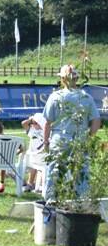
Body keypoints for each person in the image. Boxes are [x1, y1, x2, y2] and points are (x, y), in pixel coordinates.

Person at [42, 64, 101, 201]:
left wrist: (45, 142)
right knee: (82, 172)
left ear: (63, 79)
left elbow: (47, 122)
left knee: (55, 172)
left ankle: (50, 202)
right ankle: (83, 201)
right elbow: (96, 121)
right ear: (77, 78)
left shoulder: (55, 97)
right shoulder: (86, 97)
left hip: (59, 140)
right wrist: (88, 137)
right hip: (80, 139)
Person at [21, 112, 46, 192]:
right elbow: (23, 123)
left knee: (43, 168)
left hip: (43, 155)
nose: (34, 125)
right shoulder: (32, 131)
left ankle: (42, 185)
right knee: (33, 167)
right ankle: (30, 183)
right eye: (33, 123)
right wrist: (31, 120)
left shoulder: (46, 130)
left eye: (36, 123)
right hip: (33, 155)